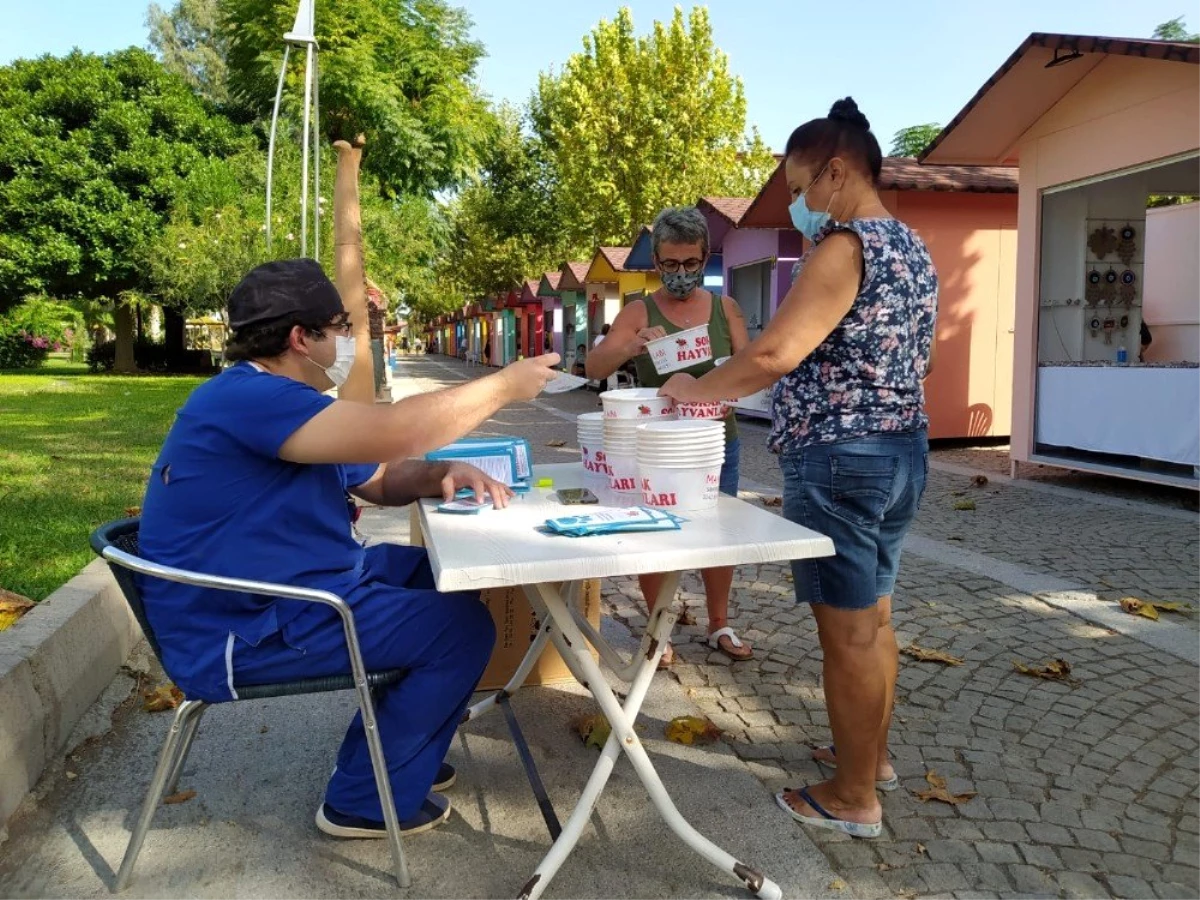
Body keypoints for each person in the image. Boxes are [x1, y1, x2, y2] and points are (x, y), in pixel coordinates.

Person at [138, 259, 560, 840]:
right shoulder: (252, 398)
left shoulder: (288, 404)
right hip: (243, 626)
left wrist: (445, 471)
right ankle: (364, 803)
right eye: (337, 327)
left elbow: (379, 478)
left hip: (288, 591)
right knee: (460, 630)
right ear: (300, 338)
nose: (345, 341)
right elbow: (399, 432)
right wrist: (505, 386)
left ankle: (397, 755)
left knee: (439, 577)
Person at [660, 98, 937, 839]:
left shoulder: (843, 248)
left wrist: (695, 389)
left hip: (843, 459)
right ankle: (868, 759)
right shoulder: (913, 248)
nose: (797, 203)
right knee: (874, 620)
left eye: (799, 185)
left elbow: (775, 352)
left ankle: (852, 798)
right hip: (902, 449)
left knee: (846, 633)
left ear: (837, 171)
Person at [587, 206, 753, 665]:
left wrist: (706, 387)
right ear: (656, 262)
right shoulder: (639, 309)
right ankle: (660, 628)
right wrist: (630, 344)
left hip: (716, 442)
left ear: (705, 258)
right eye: (670, 264)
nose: (681, 273)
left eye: (691, 263)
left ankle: (719, 622)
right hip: (653, 445)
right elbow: (594, 367)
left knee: (719, 533)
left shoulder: (726, 308)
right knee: (654, 536)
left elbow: (751, 368)